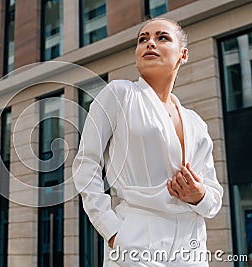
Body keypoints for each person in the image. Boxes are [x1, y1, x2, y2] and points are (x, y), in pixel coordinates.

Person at [72, 18, 223, 266]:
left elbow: (213, 197)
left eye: (162, 37)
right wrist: (112, 231)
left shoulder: (196, 122)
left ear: (183, 54)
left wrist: (200, 195)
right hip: (136, 237)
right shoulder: (119, 94)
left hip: (191, 244)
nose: (149, 43)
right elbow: (86, 162)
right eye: (143, 39)